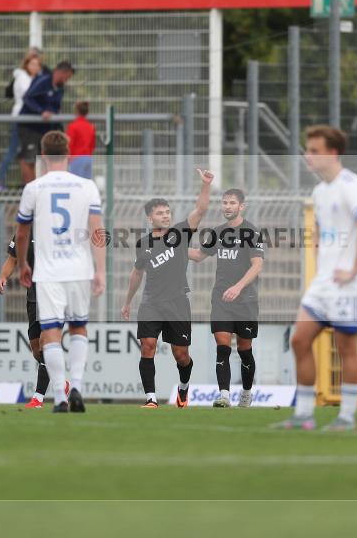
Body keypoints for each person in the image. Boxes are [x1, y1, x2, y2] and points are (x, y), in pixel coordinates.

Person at [274, 126, 357, 431]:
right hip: (324, 283)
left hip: (350, 284)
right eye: (308, 149)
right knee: (299, 340)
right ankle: (303, 415)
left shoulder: (351, 185)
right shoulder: (319, 191)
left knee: (345, 348)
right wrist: (321, 266)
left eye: (314, 150)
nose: (308, 155)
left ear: (332, 153)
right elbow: (318, 231)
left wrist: (353, 270)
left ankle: (346, 417)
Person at [15, 131, 106, 413]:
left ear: (42, 155)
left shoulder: (33, 188)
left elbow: (21, 233)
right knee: (79, 327)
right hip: (80, 269)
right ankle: (76, 385)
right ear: (68, 154)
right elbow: (97, 231)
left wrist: (22, 264)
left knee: (51, 333)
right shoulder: (87, 186)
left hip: (48, 272)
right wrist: (100, 270)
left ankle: (60, 397)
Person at [121, 169, 214, 409]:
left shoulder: (180, 233)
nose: (165, 216)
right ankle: (151, 398)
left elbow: (200, 210)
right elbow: (137, 273)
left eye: (167, 212)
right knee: (147, 346)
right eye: (160, 213)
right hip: (151, 303)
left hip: (177, 303)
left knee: (181, 355)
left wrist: (206, 185)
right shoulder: (143, 245)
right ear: (150, 218)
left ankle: (183, 389)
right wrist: (128, 301)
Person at [188, 188, 264, 408]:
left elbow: (257, 265)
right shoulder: (218, 232)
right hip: (221, 298)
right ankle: (224, 395)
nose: (227, 206)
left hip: (246, 299)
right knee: (222, 345)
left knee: (244, 349)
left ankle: (246, 393)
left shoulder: (251, 232)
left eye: (232, 203)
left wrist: (239, 287)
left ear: (241, 206)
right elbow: (200, 256)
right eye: (224, 203)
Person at [0, 230, 70, 408]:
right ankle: (63, 383)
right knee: (37, 350)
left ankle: (38, 398)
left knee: (47, 343)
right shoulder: (23, 233)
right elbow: (12, 259)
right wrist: (3, 276)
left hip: (55, 296)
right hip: (33, 296)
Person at [17, 61, 75, 185]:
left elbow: (55, 108)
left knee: (44, 160)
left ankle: (43, 189)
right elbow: (27, 97)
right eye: (67, 76)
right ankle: (30, 191)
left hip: (45, 130)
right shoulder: (43, 81)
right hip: (30, 128)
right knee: (28, 160)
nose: (67, 80)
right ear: (61, 72)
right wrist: (41, 111)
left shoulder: (60, 88)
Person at [0, 50, 43, 191]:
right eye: (32, 64)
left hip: (30, 121)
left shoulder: (33, 79)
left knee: (30, 153)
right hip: (21, 120)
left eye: (37, 64)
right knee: (13, 150)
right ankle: (0, 182)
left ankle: (31, 183)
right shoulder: (22, 77)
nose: (35, 67)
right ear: (26, 64)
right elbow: (30, 96)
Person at [66, 101, 96, 179]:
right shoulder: (90, 126)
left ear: (76, 111)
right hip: (88, 158)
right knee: (86, 185)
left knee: (76, 185)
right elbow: (92, 145)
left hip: (76, 159)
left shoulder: (73, 126)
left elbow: (69, 145)